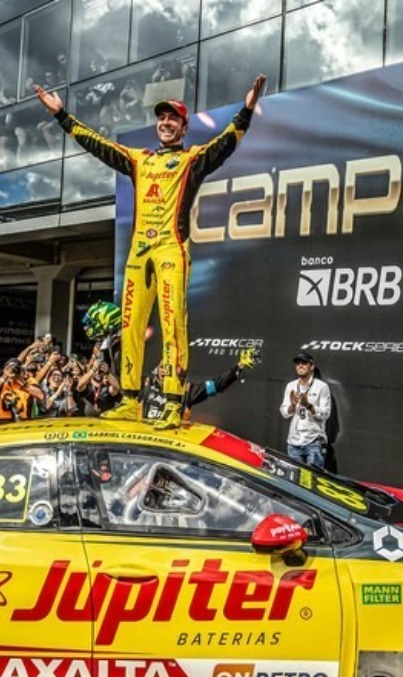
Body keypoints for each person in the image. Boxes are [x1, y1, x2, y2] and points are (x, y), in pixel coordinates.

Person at [34, 73, 267, 429]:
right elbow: (99, 145)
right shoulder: (138, 160)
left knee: (173, 324)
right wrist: (62, 116)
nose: (166, 123)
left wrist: (247, 109)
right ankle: (129, 400)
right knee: (130, 327)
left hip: (171, 249)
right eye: (161, 118)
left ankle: (173, 401)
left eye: (173, 118)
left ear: (184, 127)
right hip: (139, 254)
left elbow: (226, 144)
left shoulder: (191, 159)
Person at [279, 352, 330, 469]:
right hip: (293, 443)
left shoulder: (322, 387)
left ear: (311, 366)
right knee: (293, 482)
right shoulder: (290, 386)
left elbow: (325, 414)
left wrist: (308, 405)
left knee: (313, 479)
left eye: (304, 363)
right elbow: (284, 413)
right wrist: (292, 405)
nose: (300, 365)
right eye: (297, 363)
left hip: (314, 442)